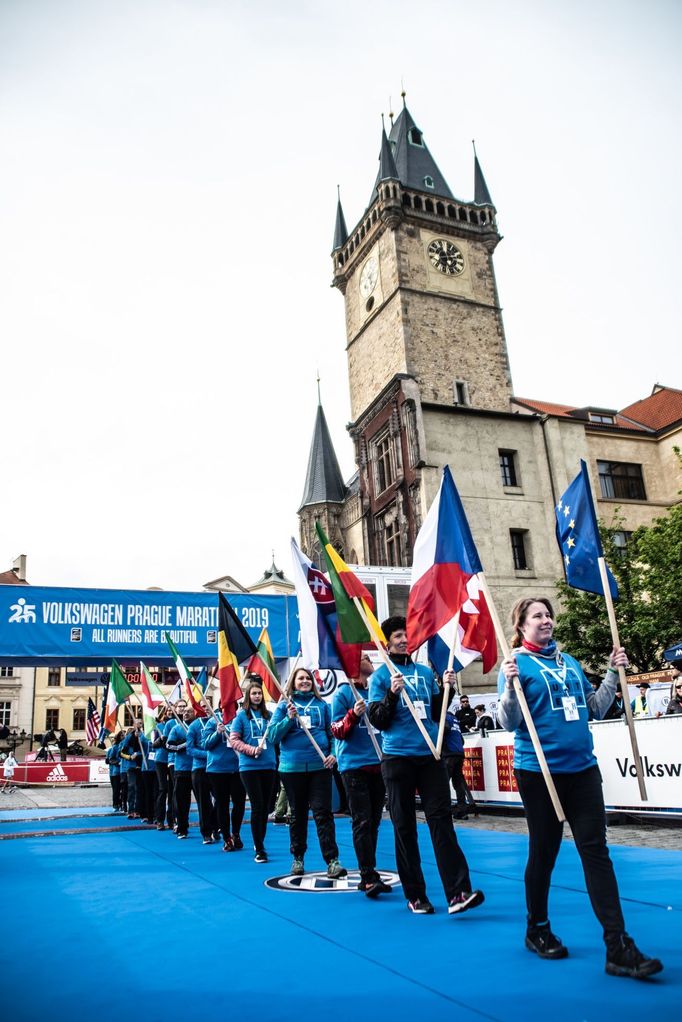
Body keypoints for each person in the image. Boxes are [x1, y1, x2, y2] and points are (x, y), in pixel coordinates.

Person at [497, 596, 663, 979]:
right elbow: (508, 722)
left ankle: (617, 945)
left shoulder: (568, 663)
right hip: (539, 773)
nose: (547, 620)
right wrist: (507, 688)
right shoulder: (516, 665)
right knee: (544, 851)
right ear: (521, 625)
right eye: (537, 615)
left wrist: (611, 673)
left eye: (549, 614)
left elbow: (594, 707)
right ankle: (536, 928)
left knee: (596, 850)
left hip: (583, 771)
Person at [368, 616, 484, 916]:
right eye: (397, 636)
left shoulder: (424, 671)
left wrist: (448, 690)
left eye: (406, 635)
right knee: (404, 826)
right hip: (397, 759)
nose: (404, 640)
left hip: (431, 756)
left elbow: (436, 712)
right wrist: (391, 695)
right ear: (387, 642)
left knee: (442, 822)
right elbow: (378, 720)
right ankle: (415, 894)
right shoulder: (380, 676)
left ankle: (458, 891)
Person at [268, 667, 347, 878]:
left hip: (320, 768)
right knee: (298, 814)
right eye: (300, 678)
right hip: (292, 769)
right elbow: (272, 737)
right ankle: (298, 858)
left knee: (323, 813)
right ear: (293, 682)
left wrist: (334, 753)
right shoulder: (285, 705)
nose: (305, 681)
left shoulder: (323, 705)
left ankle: (332, 860)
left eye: (308, 678)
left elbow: (333, 734)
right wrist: (288, 719)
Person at [331, 653, 389, 898]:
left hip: (380, 763)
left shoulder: (377, 690)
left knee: (374, 821)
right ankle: (366, 875)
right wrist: (353, 715)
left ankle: (371, 869)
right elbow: (336, 730)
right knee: (362, 820)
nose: (368, 659)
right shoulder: (343, 694)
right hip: (354, 766)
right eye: (364, 656)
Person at [230, 678, 277, 862]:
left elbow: (276, 735)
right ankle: (259, 847)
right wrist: (250, 750)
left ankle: (261, 841)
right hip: (249, 766)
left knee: (265, 807)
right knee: (257, 806)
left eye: (259, 693)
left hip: (269, 765)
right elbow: (234, 740)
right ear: (248, 696)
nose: (257, 696)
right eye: (254, 693)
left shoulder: (270, 715)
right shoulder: (241, 716)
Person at [203, 705, 245, 853]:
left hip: (238, 767)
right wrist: (217, 732)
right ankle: (226, 837)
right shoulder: (213, 721)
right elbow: (205, 744)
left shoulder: (240, 718)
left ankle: (236, 833)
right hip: (218, 769)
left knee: (239, 803)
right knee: (222, 804)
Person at [187, 711, 218, 844]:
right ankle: (206, 832)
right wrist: (207, 754)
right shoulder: (193, 726)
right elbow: (190, 749)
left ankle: (216, 827)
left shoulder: (218, 723)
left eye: (208, 706)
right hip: (199, 769)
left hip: (217, 768)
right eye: (203, 706)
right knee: (204, 802)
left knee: (220, 799)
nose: (206, 709)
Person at [166, 706, 196, 838]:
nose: (186, 714)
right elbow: (169, 745)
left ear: (194, 713)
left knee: (204, 800)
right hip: (182, 769)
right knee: (181, 800)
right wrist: (186, 744)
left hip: (198, 768)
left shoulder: (198, 727)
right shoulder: (176, 728)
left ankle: (210, 828)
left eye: (189, 712)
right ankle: (182, 827)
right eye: (184, 712)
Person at [442, 709, 474, 819]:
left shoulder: (443, 716)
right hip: (459, 753)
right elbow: (462, 739)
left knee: (443, 782)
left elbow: (444, 729)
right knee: (458, 782)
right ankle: (462, 809)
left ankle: (444, 809)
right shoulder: (454, 719)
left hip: (449, 753)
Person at [105, 732, 123, 811]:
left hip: (123, 771)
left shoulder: (124, 746)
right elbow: (110, 760)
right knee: (116, 789)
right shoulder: (115, 748)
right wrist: (118, 763)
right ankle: (115, 805)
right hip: (115, 772)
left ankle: (122, 804)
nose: (124, 737)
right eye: (122, 735)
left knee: (123, 790)